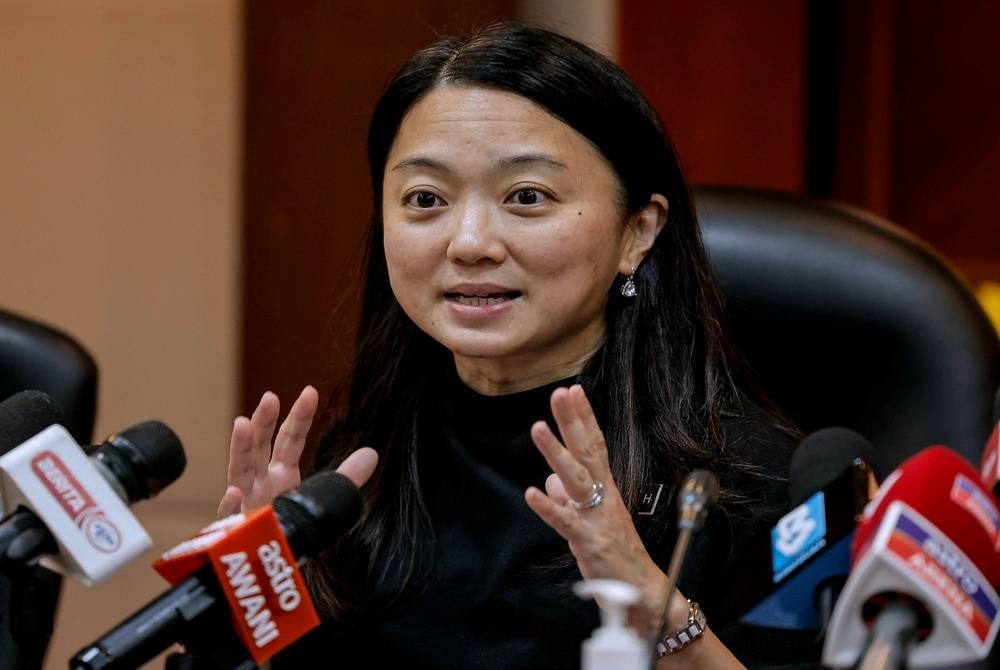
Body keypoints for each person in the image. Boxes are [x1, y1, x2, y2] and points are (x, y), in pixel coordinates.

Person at [218, 21, 802, 669]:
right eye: (425, 198)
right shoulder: (359, 461)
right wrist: (260, 593)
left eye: (527, 196)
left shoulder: (744, 486)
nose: (469, 243)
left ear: (638, 231)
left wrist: (652, 608)